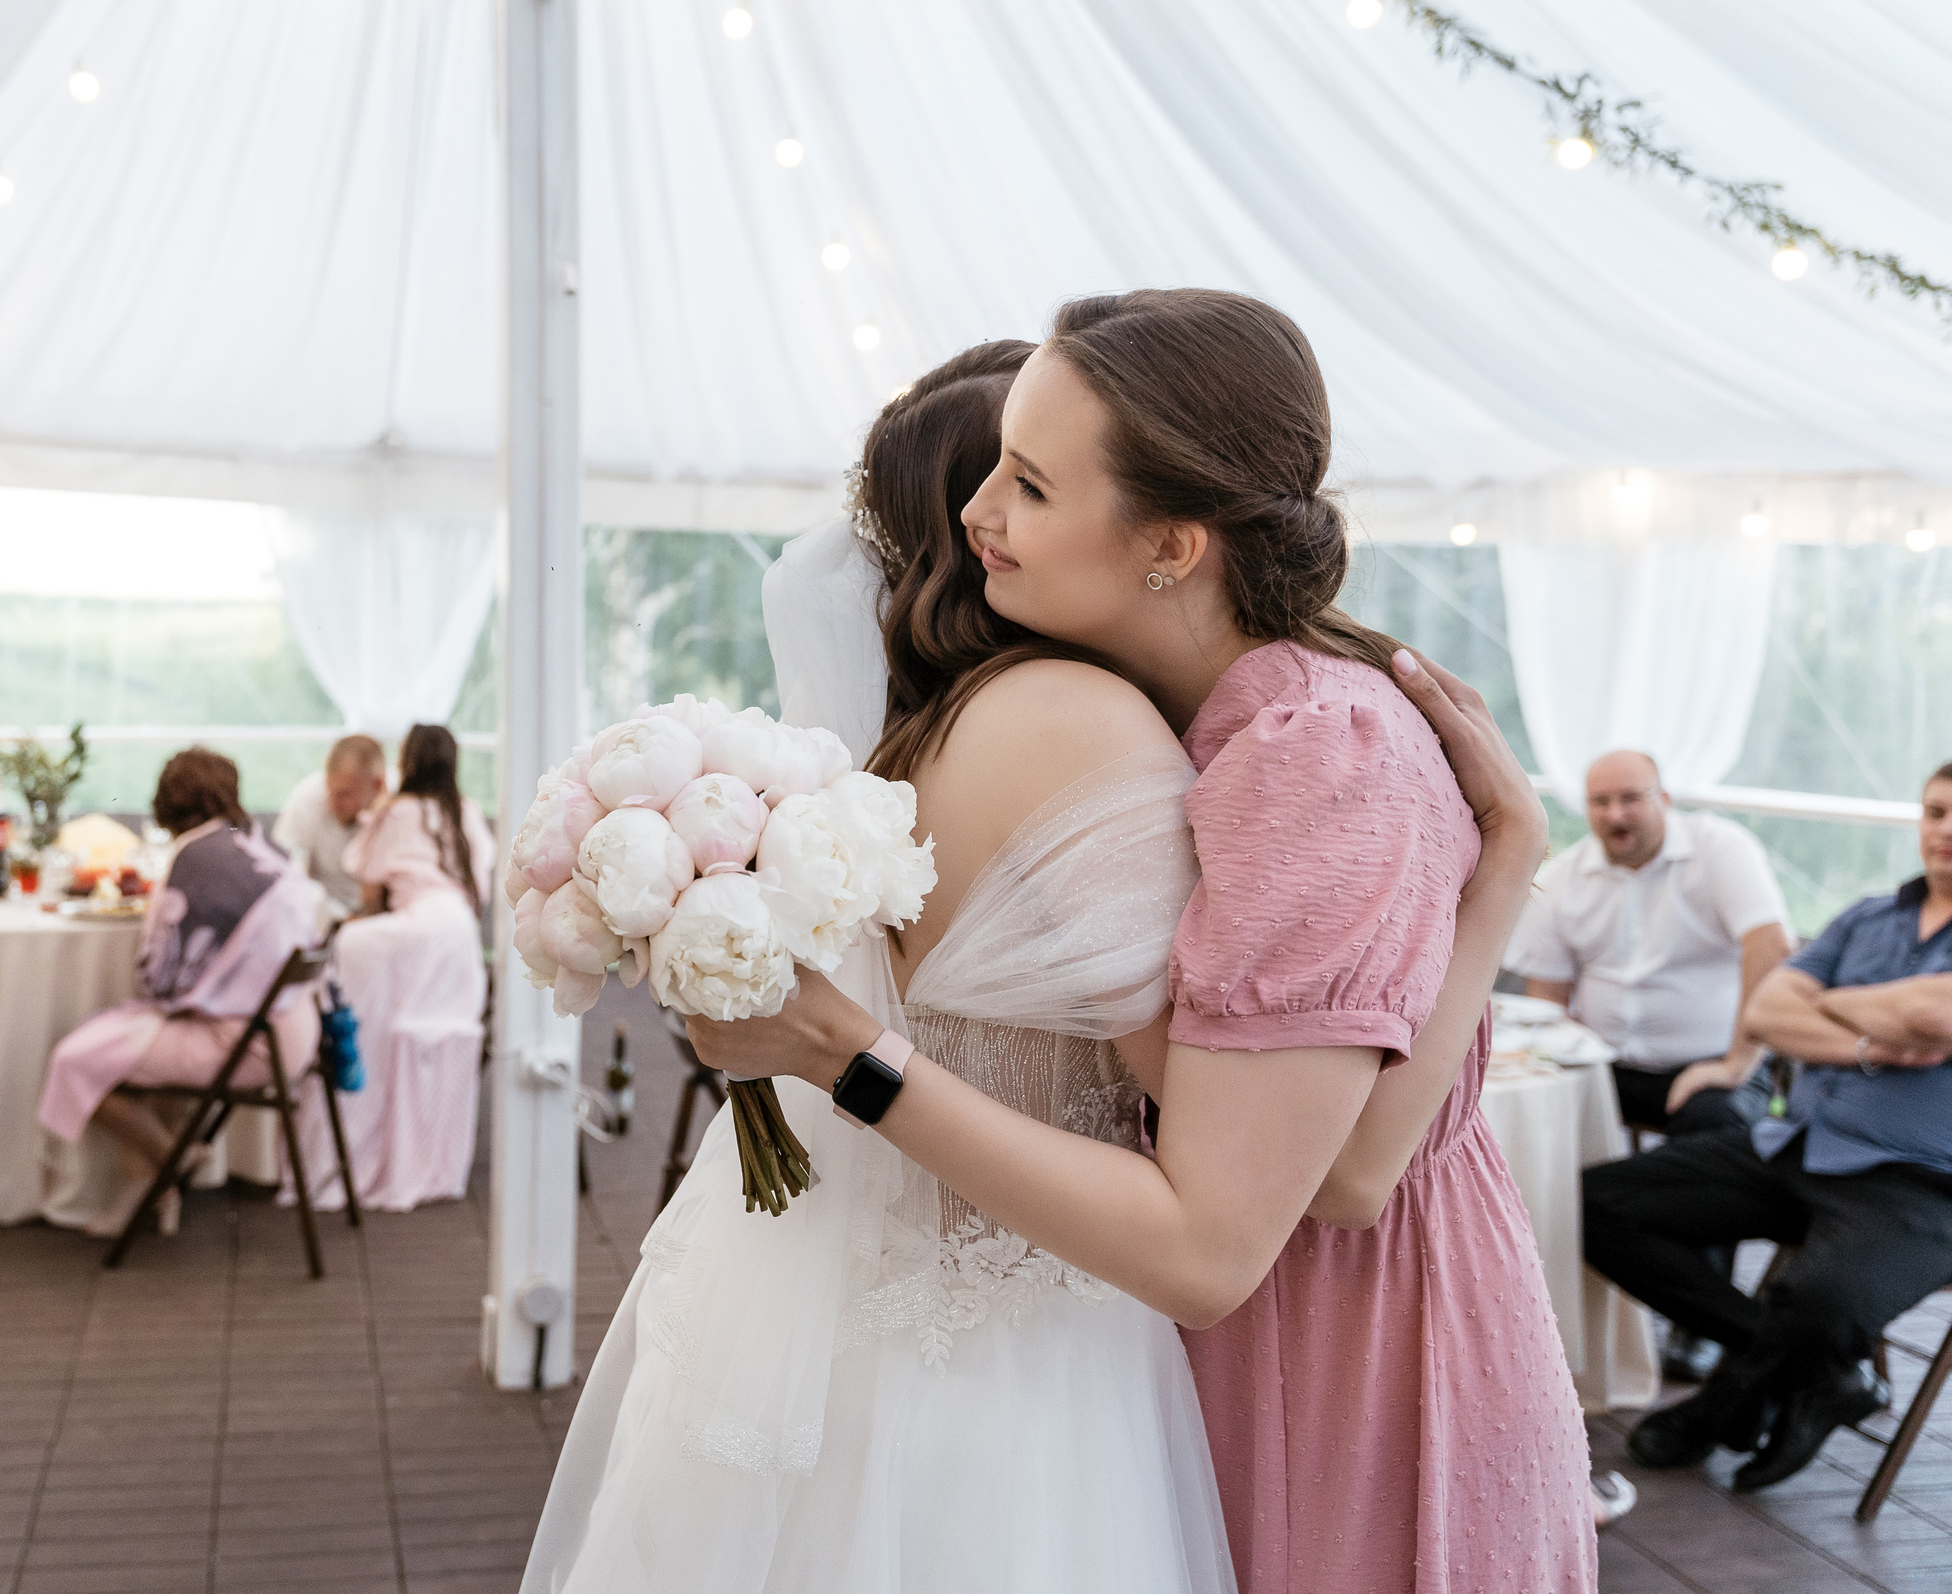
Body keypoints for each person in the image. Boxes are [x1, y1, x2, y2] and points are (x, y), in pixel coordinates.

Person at [684, 293, 1594, 1593]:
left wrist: (1508, 875)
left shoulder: (1315, 755)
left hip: (1354, 1359)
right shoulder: (1186, 727)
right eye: (992, 464)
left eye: (1031, 483)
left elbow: (1336, 1181)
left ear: (1171, 545)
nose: (980, 515)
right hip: (1229, 1329)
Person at [524, 343, 1235, 1593]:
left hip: (817, 1331)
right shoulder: (1077, 723)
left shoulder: (880, 759)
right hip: (1016, 1373)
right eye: (1021, 477)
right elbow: (1212, 1121)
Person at [1586, 761, 1952, 1493]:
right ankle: (1814, 1373)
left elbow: (1937, 1019)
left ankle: (1722, 1406)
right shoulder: (1868, 914)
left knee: (1823, 1303)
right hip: (1797, 1144)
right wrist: (1875, 1031)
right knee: (1596, 1205)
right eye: (1936, 811)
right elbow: (1764, 1012)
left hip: (1920, 1182)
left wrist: (1830, 999)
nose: (1945, 831)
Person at [37, 747, 324, 1238]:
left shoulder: (193, 855)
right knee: (122, 1052)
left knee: (78, 1058)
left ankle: (168, 1162)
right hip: (294, 1029)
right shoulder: (255, 840)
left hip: (248, 1044)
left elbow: (158, 977)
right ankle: (154, 1184)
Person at [1507, 749, 1792, 1134]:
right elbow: (1548, 999)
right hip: (1603, 1068)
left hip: (1715, 1066)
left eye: (1630, 798)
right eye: (1600, 802)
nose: (1615, 815)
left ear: (1665, 800)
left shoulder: (1721, 848)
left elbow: (1771, 948)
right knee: (1525, 1120)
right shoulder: (1560, 879)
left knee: (1717, 1144)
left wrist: (1737, 1063)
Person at [293, 724, 493, 1213]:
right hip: (461, 939)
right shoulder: (465, 811)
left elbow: (366, 883)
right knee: (426, 1037)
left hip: (417, 929)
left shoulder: (396, 811)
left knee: (347, 968)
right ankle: (424, 1158)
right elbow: (483, 888)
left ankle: (345, 1112)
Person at [273, 734, 389, 918]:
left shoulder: (399, 807)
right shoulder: (305, 800)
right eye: (329, 790)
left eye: (344, 794)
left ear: (378, 785)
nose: (333, 801)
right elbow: (286, 877)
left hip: (381, 921)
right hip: (322, 917)